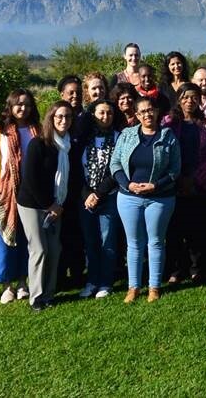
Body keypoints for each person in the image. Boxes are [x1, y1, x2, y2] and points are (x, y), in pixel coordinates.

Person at [111, 96, 181, 303]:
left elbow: (175, 170)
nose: (147, 114)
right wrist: (127, 184)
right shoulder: (127, 135)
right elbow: (115, 164)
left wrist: (155, 185)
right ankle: (133, 287)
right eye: (142, 112)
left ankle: (154, 287)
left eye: (150, 110)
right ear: (136, 114)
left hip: (159, 198)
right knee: (133, 243)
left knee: (156, 242)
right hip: (128, 197)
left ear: (157, 111)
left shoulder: (168, 137)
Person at [17, 100, 74, 311]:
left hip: (56, 204)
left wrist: (57, 205)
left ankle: (49, 294)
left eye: (67, 116)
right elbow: (31, 179)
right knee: (39, 250)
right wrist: (50, 205)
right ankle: (36, 298)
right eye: (59, 116)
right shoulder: (38, 143)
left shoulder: (68, 145)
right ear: (50, 118)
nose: (63, 120)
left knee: (54, 249)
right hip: (33, 204)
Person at [0, 89, 37, 305]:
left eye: (26, 104)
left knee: (27, 239)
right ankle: (7, 285)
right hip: (5, 195)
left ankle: (23, 282)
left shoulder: (37, 131)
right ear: (10, 106)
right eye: (18, 104)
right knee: (3, 240)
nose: (22, 108)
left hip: (30, 193)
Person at [163, 83, 206, 284]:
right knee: (175, 230)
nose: (189, 101)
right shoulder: (168, 123)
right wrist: (178, 179)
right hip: (173, 184)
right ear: (179, 99)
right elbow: (163, 154)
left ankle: (197, 268)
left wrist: (195, 180)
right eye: (185, 97)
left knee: (197, 230)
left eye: (194, 97)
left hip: (198, 185)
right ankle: (176, 270)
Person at [77, 99, 121, 299]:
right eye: (101, 113)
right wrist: (88, 194)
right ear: (93, 114)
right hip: (86, 198)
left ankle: (106, 282)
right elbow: (76, 169)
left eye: (109, 113)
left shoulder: (119, 137)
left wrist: (99, 193)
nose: (105, 117)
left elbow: (117, 169)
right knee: (90, 242)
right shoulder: (83, 139)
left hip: (108, 197)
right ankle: (92, 281)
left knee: (108, 242)